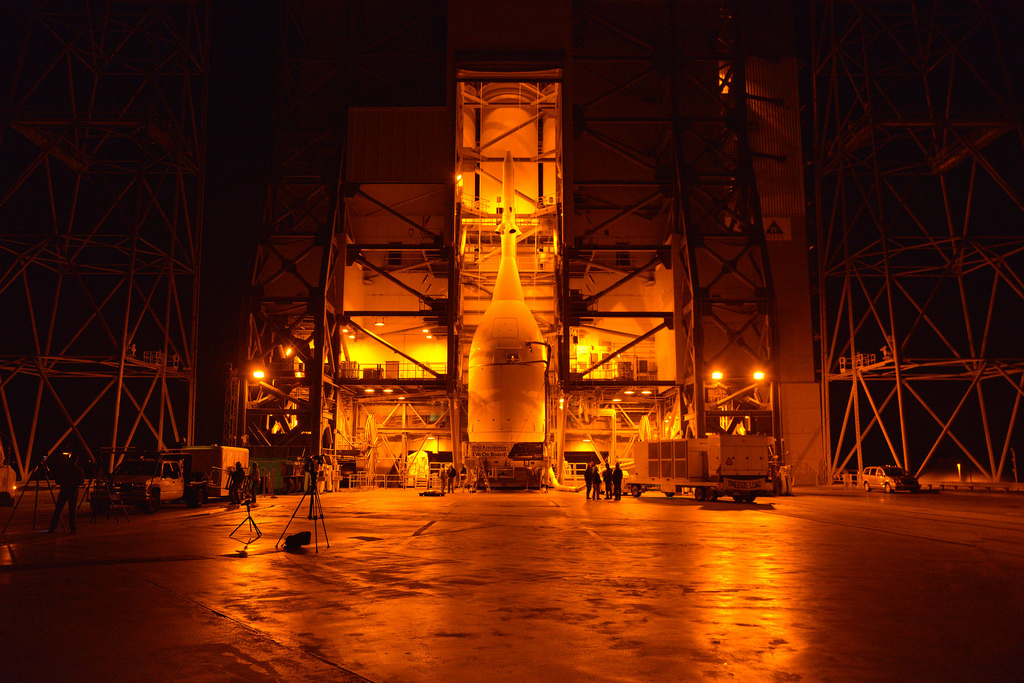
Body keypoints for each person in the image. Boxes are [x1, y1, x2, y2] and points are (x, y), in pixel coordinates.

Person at [49, 452, 84, 534]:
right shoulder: (79, 470)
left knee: (58, 510)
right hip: (73, 491)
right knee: (72, 511)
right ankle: (73, 528)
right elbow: (80, 482)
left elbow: (57, 481)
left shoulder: (64, 469)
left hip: (64, 490)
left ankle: (52, 527)